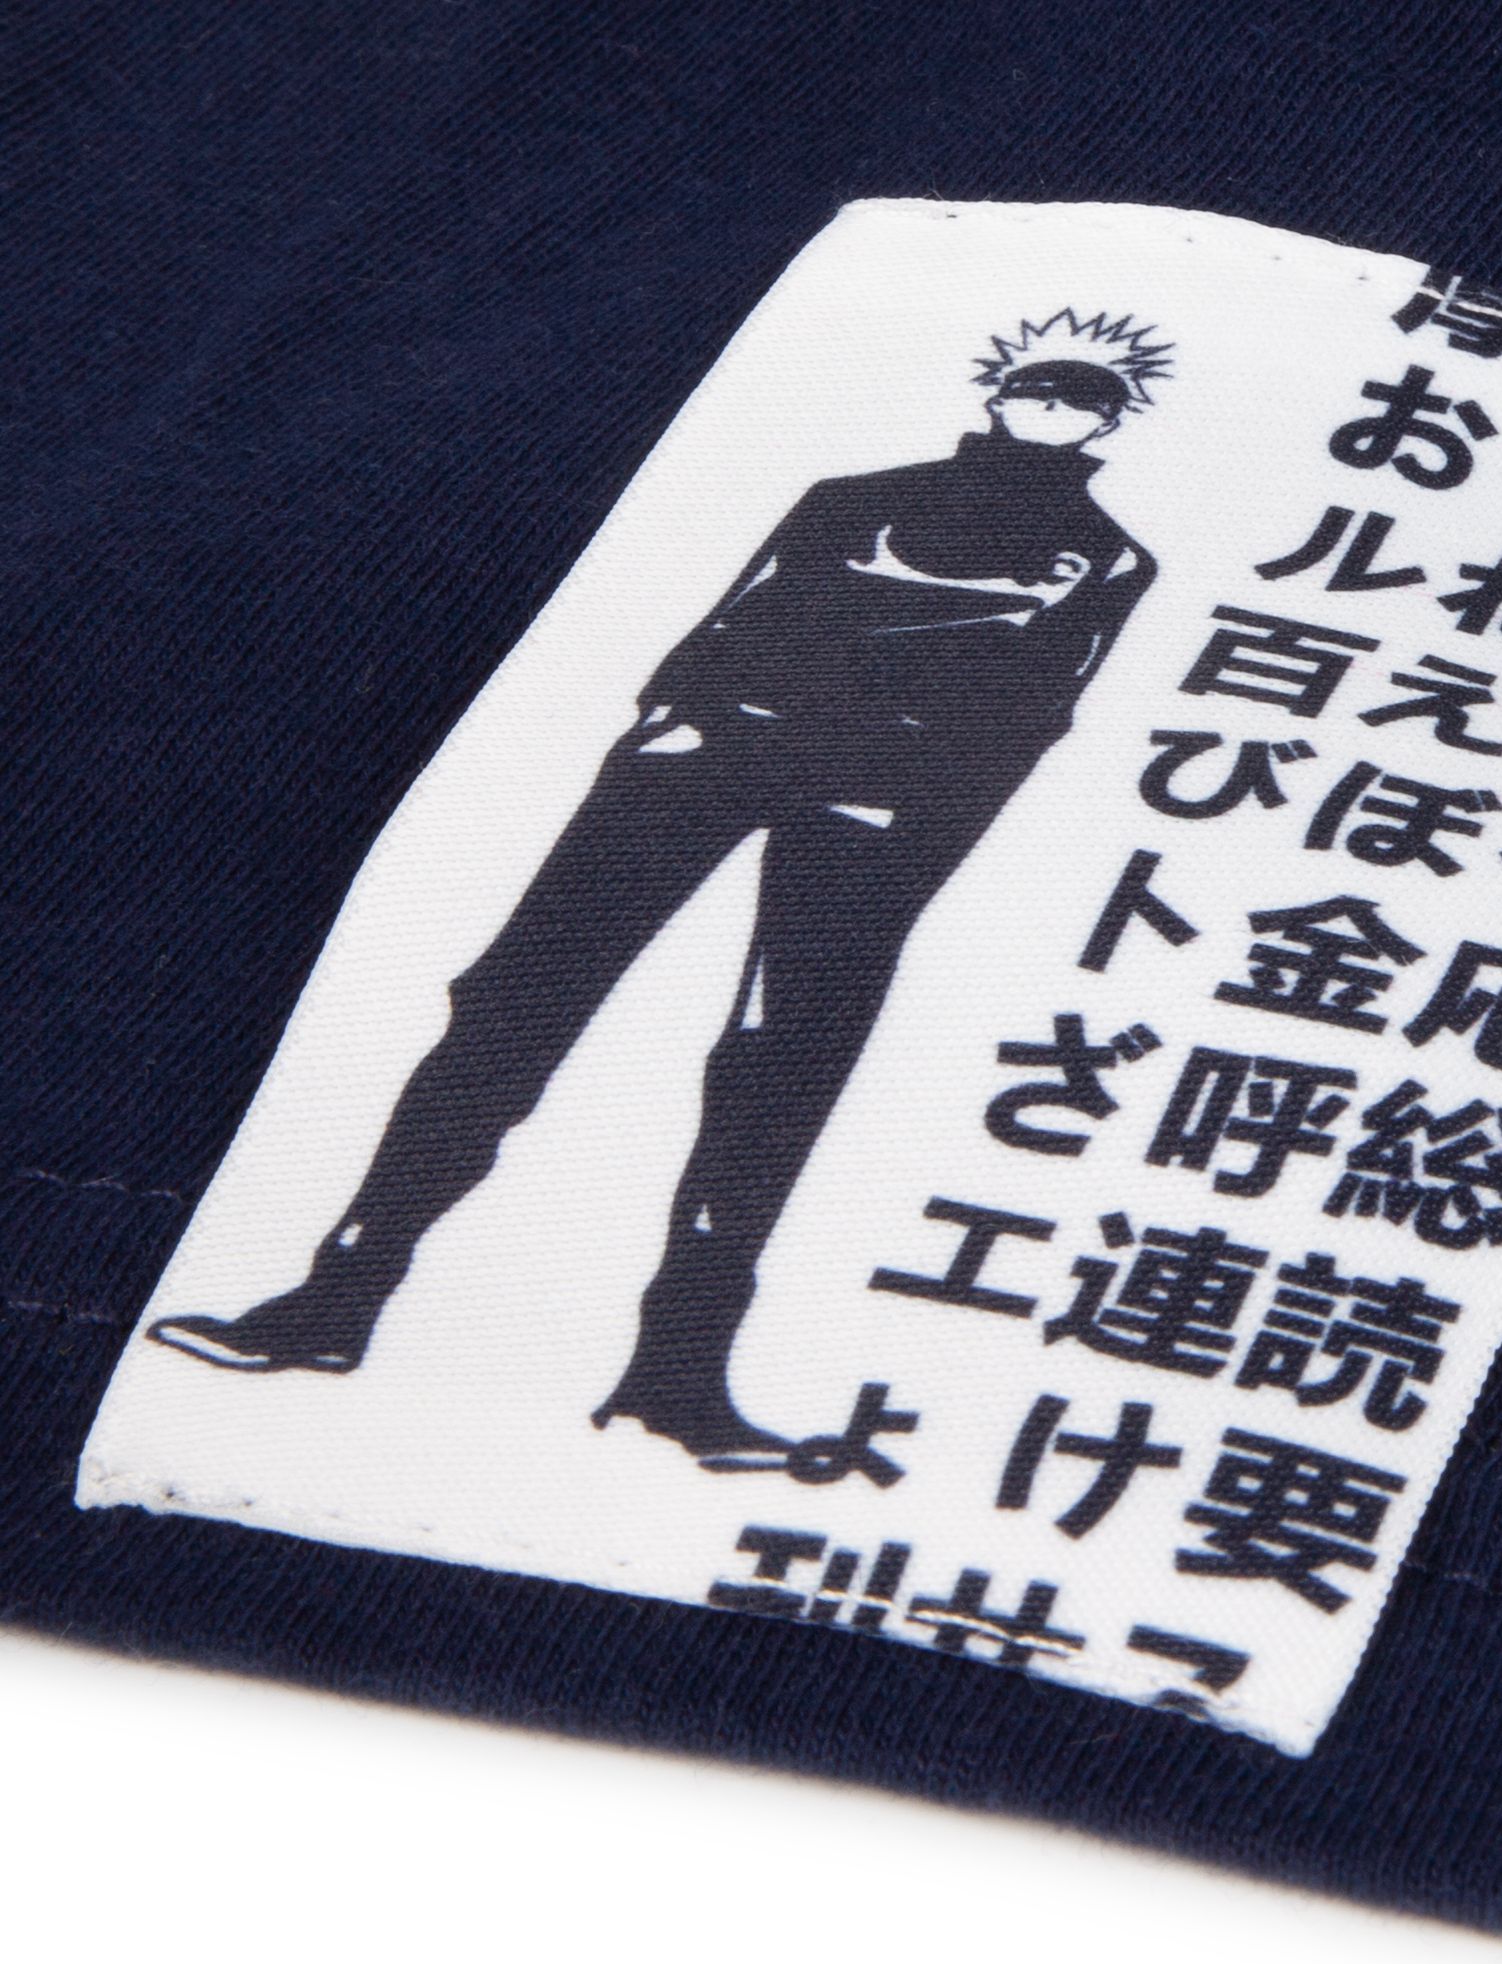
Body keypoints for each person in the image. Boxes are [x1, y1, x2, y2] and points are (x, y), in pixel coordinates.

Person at [147, 309, 1169, 1465]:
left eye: (1082, 399)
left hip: (881, 798)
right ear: (997, 392)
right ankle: (336, 1295)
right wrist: (665, 729)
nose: (1055, 409)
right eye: (1041, 386)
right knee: (515, 996)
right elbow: (727, 620)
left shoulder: (1109, 559)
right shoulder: (852, 496)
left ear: (1109, 421)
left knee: (784, 1053)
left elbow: (1032, 716)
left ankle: (677, 1371)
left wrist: (922, 839)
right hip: (708, 749)